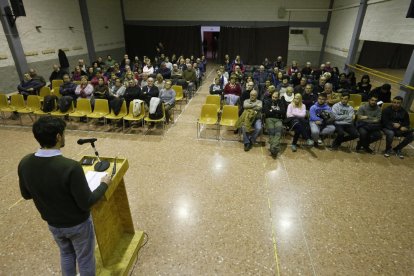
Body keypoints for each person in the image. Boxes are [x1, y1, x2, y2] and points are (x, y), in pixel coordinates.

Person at [18, 116, 111, 275]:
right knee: (85, 258)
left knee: (66, 254)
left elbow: (26, 194)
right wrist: (104, 184)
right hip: (77, 224)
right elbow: (86, 202)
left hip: (53, 224)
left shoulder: (25, 163)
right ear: (58, 137)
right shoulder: (70, 167)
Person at [263, 90, 286, 157]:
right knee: (272, 132)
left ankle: (273, 148)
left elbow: (283, 112)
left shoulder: (281, 102)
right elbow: (266, 112)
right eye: (273, 97)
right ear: (271, 96)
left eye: (276, 97)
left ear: (278, 97)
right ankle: (275, 149)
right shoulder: (267, 102)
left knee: (278, 132)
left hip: (278, 119)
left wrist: (272, 110)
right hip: (269, 119)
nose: (274, 98)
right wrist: (277, 111)